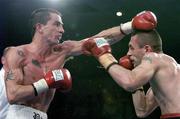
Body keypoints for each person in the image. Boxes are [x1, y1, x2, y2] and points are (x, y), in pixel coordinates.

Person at [0, 8, 149, 119]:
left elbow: (95, 41)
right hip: (15, 114)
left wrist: (130, 25)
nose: (62, 30)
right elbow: (13, 95)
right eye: (57, 25)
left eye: (62, 25)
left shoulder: (62, 50)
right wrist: (46, 82)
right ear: (40, 27)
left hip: (42, 115)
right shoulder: (17, 53)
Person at [83, 11, 180, 119]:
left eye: (131, 47)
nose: (128, 53)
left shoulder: (153, 57)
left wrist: (104, 56)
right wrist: (133, 72)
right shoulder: (167, 76)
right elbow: (142, 111)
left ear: (147, 49)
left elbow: (130, 82)